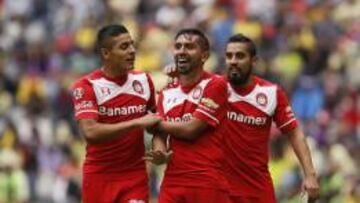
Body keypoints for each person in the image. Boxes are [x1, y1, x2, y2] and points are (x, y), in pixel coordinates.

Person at [222, 33, 320, 203]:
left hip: (257, 188)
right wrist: (175, 75)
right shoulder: (215, 88)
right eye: (229, 56)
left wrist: (310, 175)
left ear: (254, 61)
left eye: (240, 56)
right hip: (221, 189)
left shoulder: (271, 93)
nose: (233, 61)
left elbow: (295, 133)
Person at [70, 24, 161, 203]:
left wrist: (159, 146)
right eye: (124, 47)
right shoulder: (87, 86)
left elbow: (155, 122)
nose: (132, 51)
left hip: (134, 176)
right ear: (106, 53)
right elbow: (90, 132)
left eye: (132, 45)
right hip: (99, 177)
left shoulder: (143, 81)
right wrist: (136, 123)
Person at [147, 28, 231, 203]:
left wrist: (153, 122)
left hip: (207, 181)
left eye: (190, 46)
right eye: (178, 46)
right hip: (172, 181)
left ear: (204, 56)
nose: (182, 51)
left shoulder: (216, 85)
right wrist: (160, 152)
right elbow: (160, 136)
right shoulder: (167, 91)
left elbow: (191, 129)